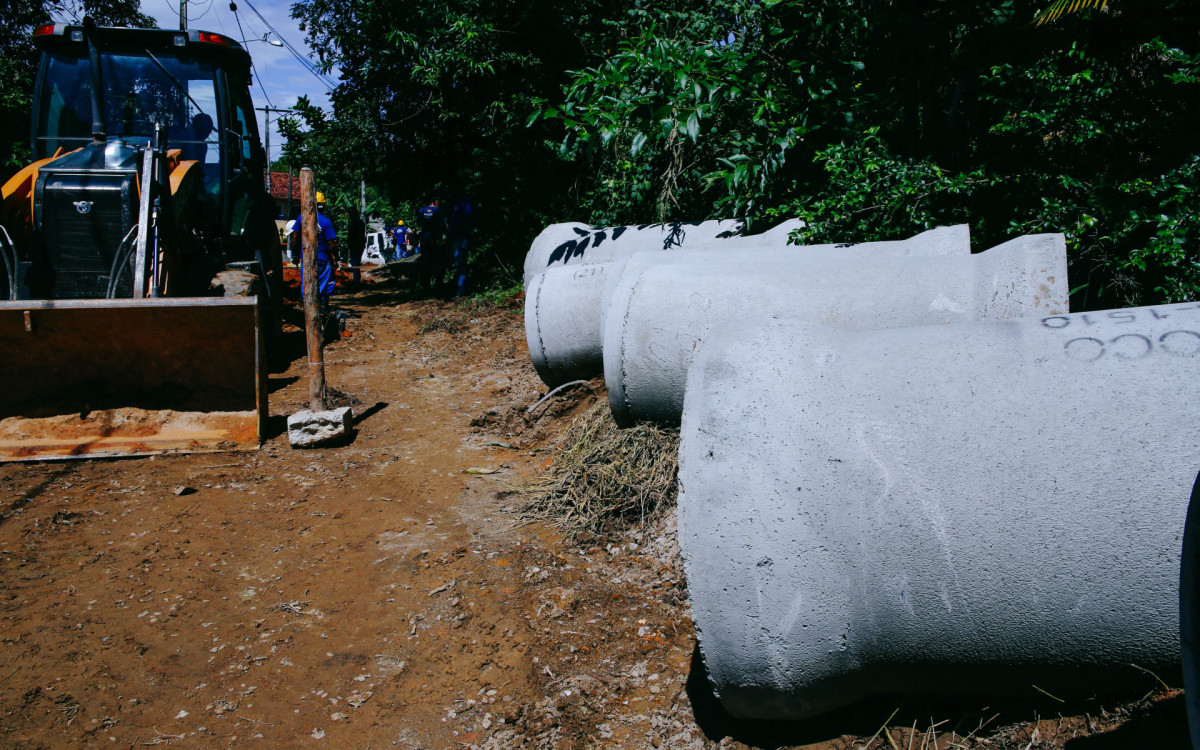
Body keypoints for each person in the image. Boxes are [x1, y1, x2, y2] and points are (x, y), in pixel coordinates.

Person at [292, 192, 339, 333]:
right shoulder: (325, 222)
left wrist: (294, 255)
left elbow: (295, 238)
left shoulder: (301, 219)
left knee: (308, 288)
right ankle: (322, 317)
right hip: (322, 260)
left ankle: (310, 318)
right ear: (322, 205)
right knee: (323, 290)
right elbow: (331, 243)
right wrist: (336, 258)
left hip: (306, 260)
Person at [416, 198, 448, 294]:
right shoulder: (438, 211)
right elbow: (443, 226)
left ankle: (425, 287)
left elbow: (419, 223)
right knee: (439, 262)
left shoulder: (421, 211)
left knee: (425, 263)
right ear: (434, 203)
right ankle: (438, 285)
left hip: (425, 240)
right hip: (436, 239)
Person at [448, 195, 474, 298]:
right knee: (461, 263)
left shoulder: (461, 203)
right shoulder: (464, 202)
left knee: (460, 264)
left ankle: (461, 289)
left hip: (458, 237)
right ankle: (461, 289)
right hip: (461, 237)